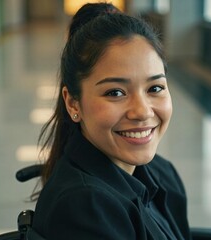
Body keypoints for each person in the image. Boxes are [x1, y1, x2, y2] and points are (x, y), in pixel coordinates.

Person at [32, 3, 191, 239]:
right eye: (115, 92)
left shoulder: (161, 172)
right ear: (73, 103)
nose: (142, 111)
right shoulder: (84, 208)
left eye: (155, 87)